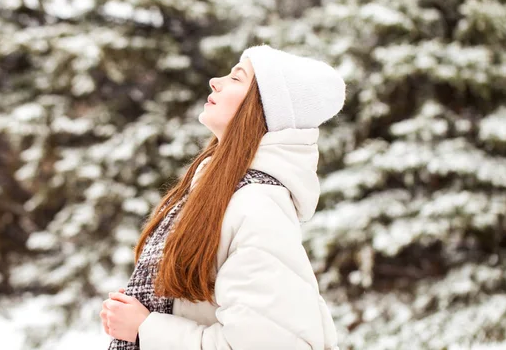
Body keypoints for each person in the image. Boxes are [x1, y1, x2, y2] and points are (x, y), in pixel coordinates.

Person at [100, 44, 346, 350]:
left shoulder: (256, 205)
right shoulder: (216, 193)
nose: (215, 81)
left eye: (237, 78)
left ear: (262, 107)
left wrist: (145, 328)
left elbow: (267, 344)